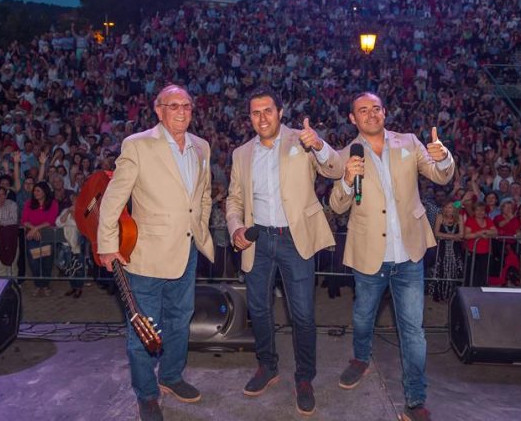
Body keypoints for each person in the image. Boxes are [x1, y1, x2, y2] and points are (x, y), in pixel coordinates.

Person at [328, 92, 454, 421]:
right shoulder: (346, 154)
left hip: (409, 255)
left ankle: (415, 399)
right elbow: (337, 206)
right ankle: (360, 358)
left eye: (375, 108)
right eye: (362, 110)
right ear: (352, 118)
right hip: (369, 255)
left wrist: (442, 157)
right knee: (362, 317)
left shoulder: (409, 142)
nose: (370, 114)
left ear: (385, 112)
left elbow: (441, 175)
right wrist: (347, 180)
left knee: (413, 330)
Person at [97, 85, 214, 421]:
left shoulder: (201, 146)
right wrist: (107, 245)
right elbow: (114, 198)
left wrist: (200, 227)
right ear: (158, 110)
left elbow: (203, 195)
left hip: (187, 252)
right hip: (146, 256)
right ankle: (147, 394)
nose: (181, 111)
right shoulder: (138, 145)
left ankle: (172, 376)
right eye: (173, 106)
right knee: (144, 329)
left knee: (180, 320)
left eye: (186, 106)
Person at [226, 86, 342, 416]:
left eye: (268, 110)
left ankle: (304, 378)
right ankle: (267, 366)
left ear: (280, 112)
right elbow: (234, 199)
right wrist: (235, 228)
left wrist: (318, 145)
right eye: (255, 112)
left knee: (302, 314)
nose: (262, 117)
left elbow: (335, 170)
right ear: (249, 117)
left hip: (295, 239)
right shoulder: (241, 154)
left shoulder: (301, 140)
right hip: (258, 241)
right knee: (259, 309)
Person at [22, 181, 58, 295]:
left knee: (46, 262)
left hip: (47, 236)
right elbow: (24, 220)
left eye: (38, 191)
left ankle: (45, 285)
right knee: (34, 262)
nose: (35, 193)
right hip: (33, 237)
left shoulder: (53, 203)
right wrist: (34, 229)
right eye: (35, 191)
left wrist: (35, 228)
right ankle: (38, 285)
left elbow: (51, 221)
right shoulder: (28, 203)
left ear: (45, 192)